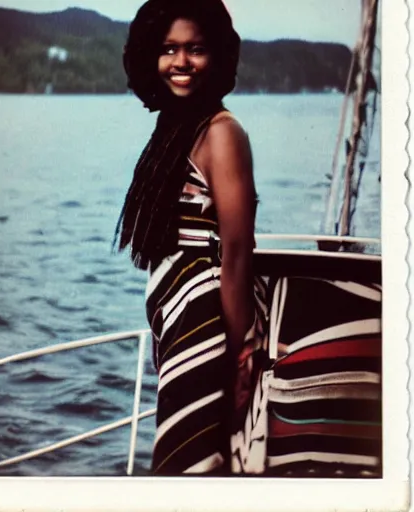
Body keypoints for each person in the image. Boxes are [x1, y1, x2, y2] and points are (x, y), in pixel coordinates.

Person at [114, 0, 267, 476]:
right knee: (185, 460)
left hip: (210, 328)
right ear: (150, 57)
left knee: (193, 465)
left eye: (196, 49)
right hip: (179, 330)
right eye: (169, 49)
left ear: (217, 54)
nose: (181, 63)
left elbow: (237, 254)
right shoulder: (176, 128)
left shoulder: (223, 133)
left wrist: (243, 355)